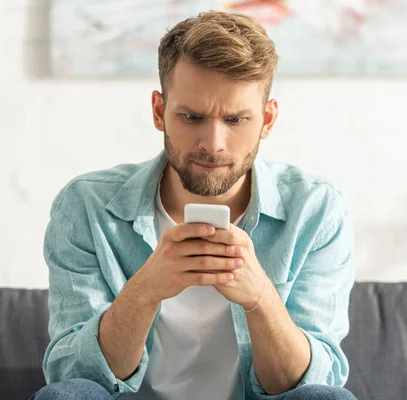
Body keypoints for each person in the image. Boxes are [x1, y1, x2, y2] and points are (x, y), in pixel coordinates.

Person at [30, 10, 356, 400]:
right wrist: (147, 289)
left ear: (267, 120)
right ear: (159, 112)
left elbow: (316, 381)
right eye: (192, 116)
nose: (213, 143)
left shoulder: (316, 211)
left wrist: (260, 298)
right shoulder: (85, 206)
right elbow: (72, 374)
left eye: (236, 119)